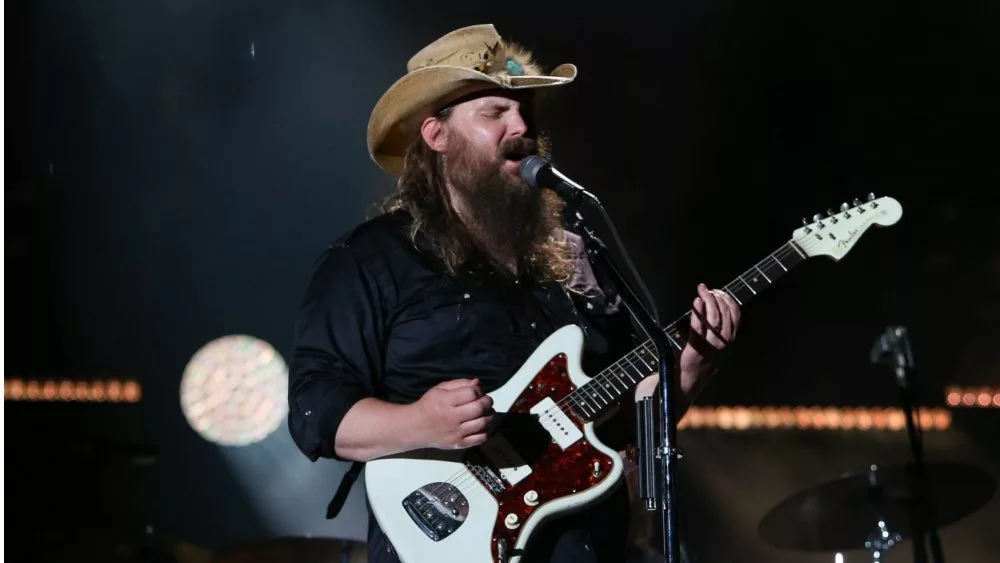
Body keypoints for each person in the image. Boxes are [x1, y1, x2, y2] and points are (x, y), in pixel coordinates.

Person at [287, 23, 741, 563]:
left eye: (524, 111)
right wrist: (419, 422)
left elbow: (625, 426)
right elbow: (314, 411)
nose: (521, 125)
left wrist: (689, 367)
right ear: (437, 136)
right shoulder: (373, 258)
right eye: (494, 113)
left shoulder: (573, 259)